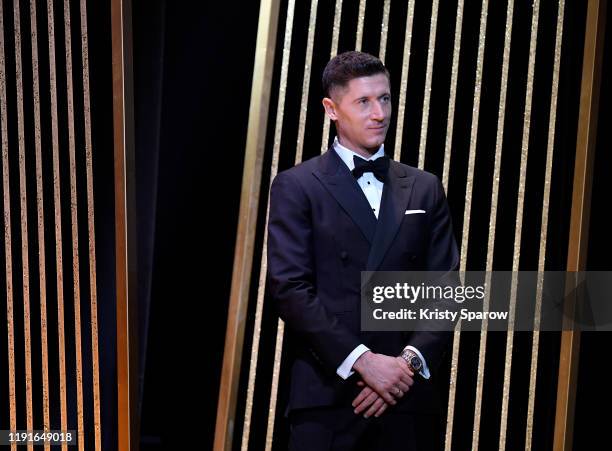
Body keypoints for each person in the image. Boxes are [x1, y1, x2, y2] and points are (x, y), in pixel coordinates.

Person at [267, 51, 459, 451]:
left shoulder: (425, 187)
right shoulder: (298, 186)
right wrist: (363, 362)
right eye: (364, 102)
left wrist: (404, 366)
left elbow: (445, 289)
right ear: (331, 109)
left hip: (406, 400)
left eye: (385, 99)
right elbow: (290, 289)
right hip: (329, 397)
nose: (379, 113)